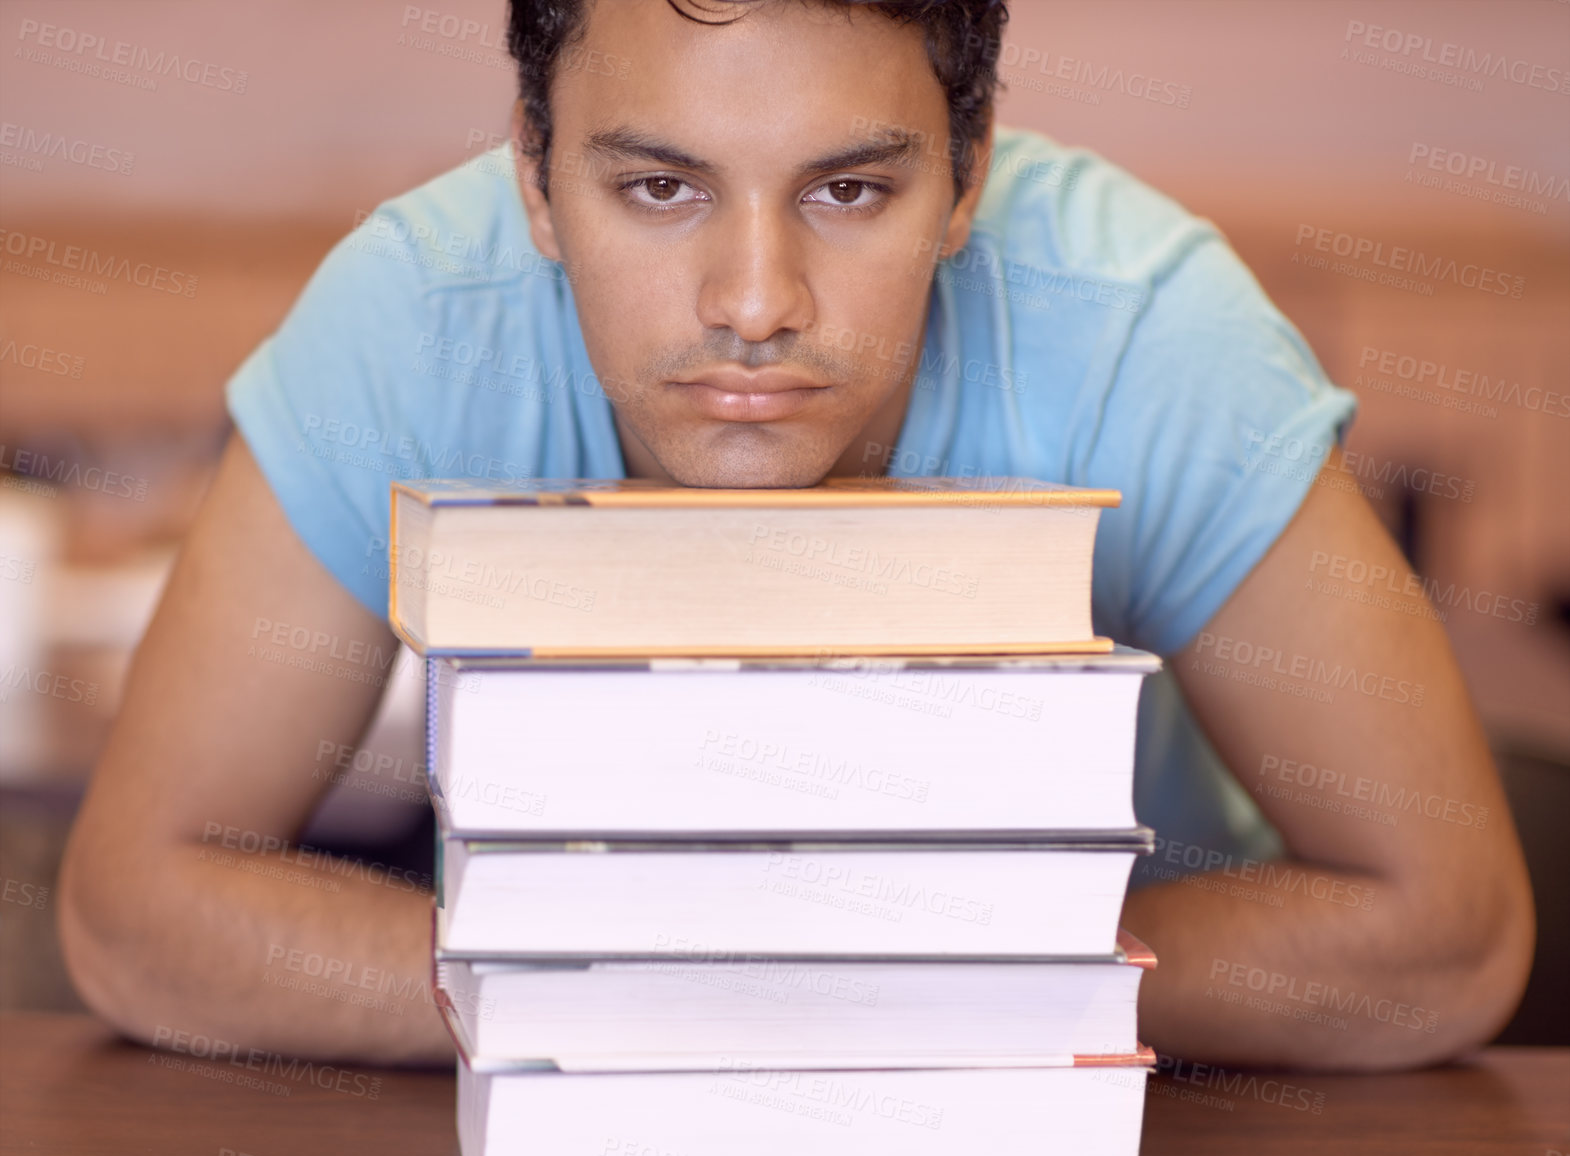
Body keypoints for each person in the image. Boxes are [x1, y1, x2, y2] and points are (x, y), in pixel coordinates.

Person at [58, 0, 1532, 1070]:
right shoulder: (412, 317)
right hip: (568, 1122)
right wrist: (625, 995)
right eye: (656, 186)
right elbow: (136, 910)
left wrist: (866, 986)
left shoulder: (1147, 327)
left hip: (1112, 1117)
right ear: (532, 176)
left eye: (848, 189)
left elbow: (1442, 938)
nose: (753, 300)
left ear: (964, 177)